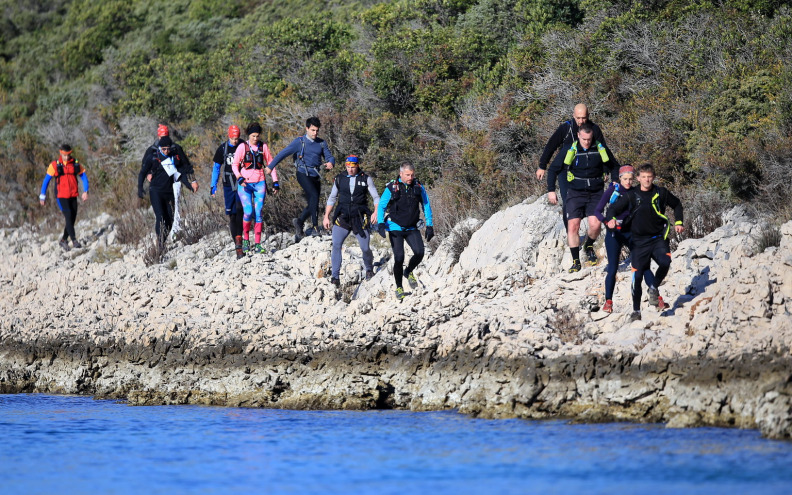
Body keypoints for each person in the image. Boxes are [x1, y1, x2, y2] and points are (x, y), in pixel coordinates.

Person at [605, 163, 684, 321]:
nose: (647, 180)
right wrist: (611, 219)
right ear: (638, 178)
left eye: (650, 177)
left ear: (653, 177)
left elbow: (677, 204)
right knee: (638, 275)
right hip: (639, 241)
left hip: (657, 238)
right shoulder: (631, 195)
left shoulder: (661, 192)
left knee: (666, 261)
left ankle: (653, 288)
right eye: (644, 177)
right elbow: (612, 209)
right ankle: (636, 311)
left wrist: (679, 221)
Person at [547, 122, 619, 272]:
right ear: (578, 135)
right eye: (584, 139)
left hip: (595, 192)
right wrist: (551, 190)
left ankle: (589, 245)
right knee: (573, 226)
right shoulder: (570, 149)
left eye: (589, 139)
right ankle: (576, 261)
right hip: (575, 192)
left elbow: (615, 166)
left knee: (596, 225)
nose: (587, 142)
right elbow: (553, 169)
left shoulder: (599, 148)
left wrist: (614, 181)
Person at [537, 104, 615, 228]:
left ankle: (588, 233)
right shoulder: (565, 128)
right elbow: (551, 146)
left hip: (590, 172)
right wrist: (542, 166)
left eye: (583, 118)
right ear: (573, 116)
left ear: (588, 116)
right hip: (566, 170)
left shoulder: (594, 129)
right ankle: (571, 235)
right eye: (578, 118)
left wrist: (605, 170)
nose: (581, 121)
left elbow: (603, 150)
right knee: (568, 203)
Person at [593, 165, 655, 313]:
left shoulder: (636, 192)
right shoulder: (613, 190)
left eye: (630, 179)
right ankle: (608, 302)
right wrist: (607, 221)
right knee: (613, 268)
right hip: (614, 234)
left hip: (631, 233)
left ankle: (655, 295)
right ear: (619, 178)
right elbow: (597, 211)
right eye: (625, 179)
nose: (627, 182)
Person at [268, 117, 335, 241]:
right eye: (312, 130)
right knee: (314, 197)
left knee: (313, 203)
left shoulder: (321, 143)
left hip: (315, 174)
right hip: (302, 173)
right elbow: (283, 153)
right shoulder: (299, 142)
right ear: (307, 129)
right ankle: (315, 227)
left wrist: (331, 162)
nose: (315, 133)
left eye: (317, 131)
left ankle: (299, 221)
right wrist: (270, 167)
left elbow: (329, 156)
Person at [377, 163, 434, 301]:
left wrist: (430, 225)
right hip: (395, 226)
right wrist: (380, 223)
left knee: (420, 252)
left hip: (412, 227)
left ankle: (408, 271)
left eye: (412, 175)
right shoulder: (392, 187)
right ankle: (399, 287)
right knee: (399, 257)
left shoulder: (418, 187)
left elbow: (426, 205)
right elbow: (382, 206)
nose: (410, 177)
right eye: (407, 175)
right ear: (401, 174)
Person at [322, 155, 380, 287]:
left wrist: (376, 212)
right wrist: (326, 216)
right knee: (336, 244)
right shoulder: (340, 178)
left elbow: (376, 197)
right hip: (343, 216)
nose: (350, 170)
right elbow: (332, 198)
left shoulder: (366, 178)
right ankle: (335, 277)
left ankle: (369, 269)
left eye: (352, 167)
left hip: (359, 217)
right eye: (348, 167)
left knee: (365, 247)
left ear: (357, 166)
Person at [138, 136, 199, 244]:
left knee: (170, 220)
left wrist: (190, 185)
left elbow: (181, 174)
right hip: (156, 191)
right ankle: (160, 244)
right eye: (164, 149)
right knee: (161, 217)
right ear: (160, 148)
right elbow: (143, 172)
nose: (166, 151)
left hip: (169, 192)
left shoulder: (174, 158)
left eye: (168, 149)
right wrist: (140, 188)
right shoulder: (153, 157)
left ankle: (163, 240)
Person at [232, 122, 278, 254]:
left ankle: (258, 244)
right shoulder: (242, 147)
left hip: (260, 183)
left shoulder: (263, 147)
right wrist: (239, 177)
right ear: (249, 135)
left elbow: (271, 164)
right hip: (245, 184)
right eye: (253, 136)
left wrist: (275, 181)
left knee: (258, 212)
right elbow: (235, 165)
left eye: (257, 136)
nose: (255, 138)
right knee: (247, 211)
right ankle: (246, 239)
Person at [39, 144, 89, 251]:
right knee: (68, 216)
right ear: (60, 153)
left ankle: (63, 240)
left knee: (72, 219)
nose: (66, 157)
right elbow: (46, 181)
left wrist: (85, 191)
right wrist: (42, 195)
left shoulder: (75, 164)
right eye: (64, 155)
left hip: (73, 195)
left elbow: (84, 177)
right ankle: (74, 241)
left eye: (68, 155)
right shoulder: (54, 165)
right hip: (61, 196)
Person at [211, 125, 245, 258]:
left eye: (237, 138)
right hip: (228, 184)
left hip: (242, 182)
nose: (235, 141)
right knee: (232, 215)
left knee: (240, 210)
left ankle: (240, 240)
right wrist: (213, 186)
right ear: (228, 136)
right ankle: (237, 244)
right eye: (232, 138)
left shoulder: (243, 145)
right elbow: (216, 167)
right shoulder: (223, 148)